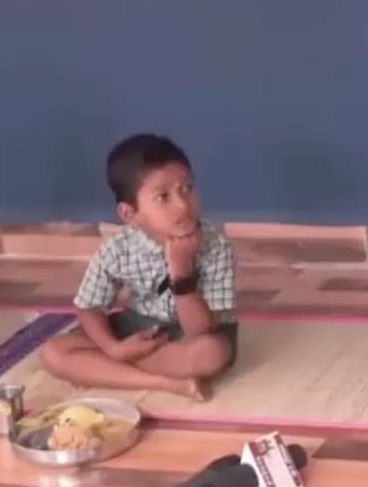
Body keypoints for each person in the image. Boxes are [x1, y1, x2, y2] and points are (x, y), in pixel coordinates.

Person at [39, 134, 237, 400]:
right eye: (163, 197)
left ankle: (105, 370)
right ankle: (168, 383)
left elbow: (200, 330)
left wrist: (181, 274)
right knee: (52, 353)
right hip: (137, 329)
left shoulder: (216, 246)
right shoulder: (117, 249)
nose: (182, 204)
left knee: (213, 353)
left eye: (187, 188)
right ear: (130, 214)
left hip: (192, 335)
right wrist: (113, 349)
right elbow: (88, 307)